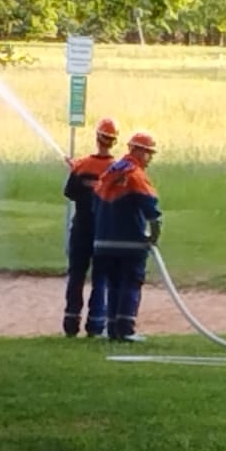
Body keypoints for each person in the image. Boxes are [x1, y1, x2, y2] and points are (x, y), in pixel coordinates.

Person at [93, 130, 162, 343]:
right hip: (130, 242)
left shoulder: (109, 173)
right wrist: (154, 236)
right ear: (138, 151)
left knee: (113, 285)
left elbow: (95, 205)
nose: (150, 159)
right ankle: (126, 329)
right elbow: (151, 209)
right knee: (130, 284)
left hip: (103, 241)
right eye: (149, 153)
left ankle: (112, 329)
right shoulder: (136, 174)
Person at [62, 116, 119, 338]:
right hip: (104, 231)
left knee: (76, 275)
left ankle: (70, 322)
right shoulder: (116, 169)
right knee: (100, 278)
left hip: (81, 229)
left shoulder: (82, 165)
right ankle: (95, 325)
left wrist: (76, 171)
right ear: (114, 141)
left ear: (97, 138)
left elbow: (69, 192)